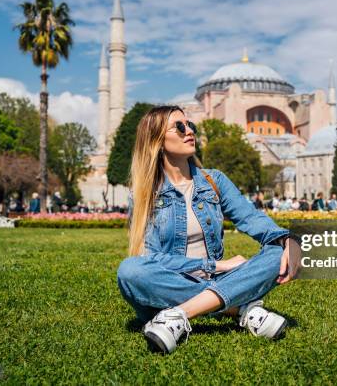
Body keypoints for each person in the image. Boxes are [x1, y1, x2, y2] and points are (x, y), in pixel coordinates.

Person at [116, 105, 293, 354]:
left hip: (215, 281)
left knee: (278, 254)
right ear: (157, 140)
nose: (189, 131)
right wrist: (217, 266)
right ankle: (240, 308)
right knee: (131, 271)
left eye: (190, 126)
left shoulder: (214, 181)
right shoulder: (146, 193)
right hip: (171, 283)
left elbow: (251, 218)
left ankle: (178, 316)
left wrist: (285, 240)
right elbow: (151, 258)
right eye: (179, 126)